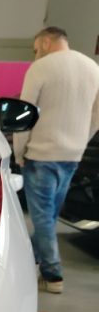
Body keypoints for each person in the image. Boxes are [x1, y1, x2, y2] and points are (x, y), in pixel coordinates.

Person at [14, 26, 99, 294]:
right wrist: (81, 140)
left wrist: (19, 152)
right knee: (49, 215)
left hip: (41, 155)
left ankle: (52, 275)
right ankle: (31, 258)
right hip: (72, 156)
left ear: (47, 42)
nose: (35, 54)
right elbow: (97, 115)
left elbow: (24, 115)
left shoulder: (40, 68)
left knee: (42, 217)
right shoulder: (93, 68)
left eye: (36, 49)